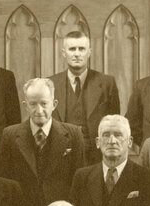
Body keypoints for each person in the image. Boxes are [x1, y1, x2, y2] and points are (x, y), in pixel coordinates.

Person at [0, 78, 86, 206]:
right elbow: (4, 183)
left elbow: (79, 182)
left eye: (44, 103)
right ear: (25, 106)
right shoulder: (10, 135)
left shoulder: (73, 134)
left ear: (54, 104)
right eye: (33, 104)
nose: (39, 110)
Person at [50, 31, 121, 161]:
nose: (77, 54)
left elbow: (114, 123)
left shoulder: (107, 83)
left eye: (81, 49)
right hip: (60, 157)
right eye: (72, 49)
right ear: (64, 53)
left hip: (96, 157)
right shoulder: (50, 84)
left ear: (89, 52)